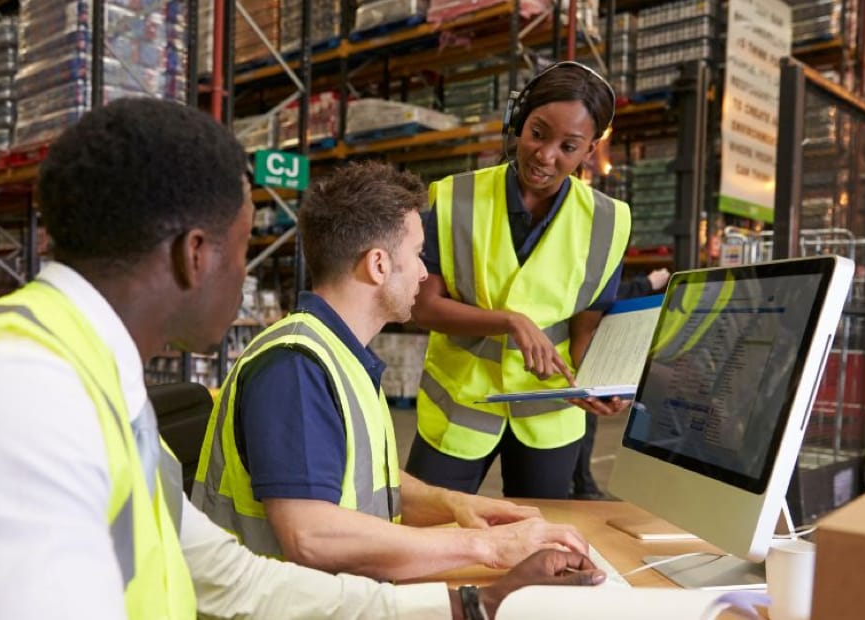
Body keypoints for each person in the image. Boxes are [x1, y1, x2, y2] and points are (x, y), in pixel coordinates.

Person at [0, 99, 603, 620]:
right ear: (195, 256)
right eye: (244, 248)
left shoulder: (98, 379)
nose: (253, 272)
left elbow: (229, 579)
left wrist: (465, 602)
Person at [193, 161, 590, 582]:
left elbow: (367, 482)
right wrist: (486, 547)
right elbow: (311, 535)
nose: (423, 271)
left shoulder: (337, 354)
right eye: (418, 254)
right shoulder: (295, 367)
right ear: (378, 265)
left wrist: (457, 505)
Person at [406, 62, 633, 499]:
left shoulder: (609, 221)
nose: (546, 155)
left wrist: (597, 381)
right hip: (460, 404)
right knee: (424, 525)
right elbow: (423, 307)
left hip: (548, 412)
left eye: (568, 146)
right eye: (537, 133)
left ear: (589, 151)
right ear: (518, 123)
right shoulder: (454, 197)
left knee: (540, 542)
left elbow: (587, 321)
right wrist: (508, 321)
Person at [568, 265, 672, 499]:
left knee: (585, 424)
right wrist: (645, 284)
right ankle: (583, 484)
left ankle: (583, 482)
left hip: (582, 363)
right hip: (574, 366)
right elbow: (604, 296)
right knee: (584, 424)